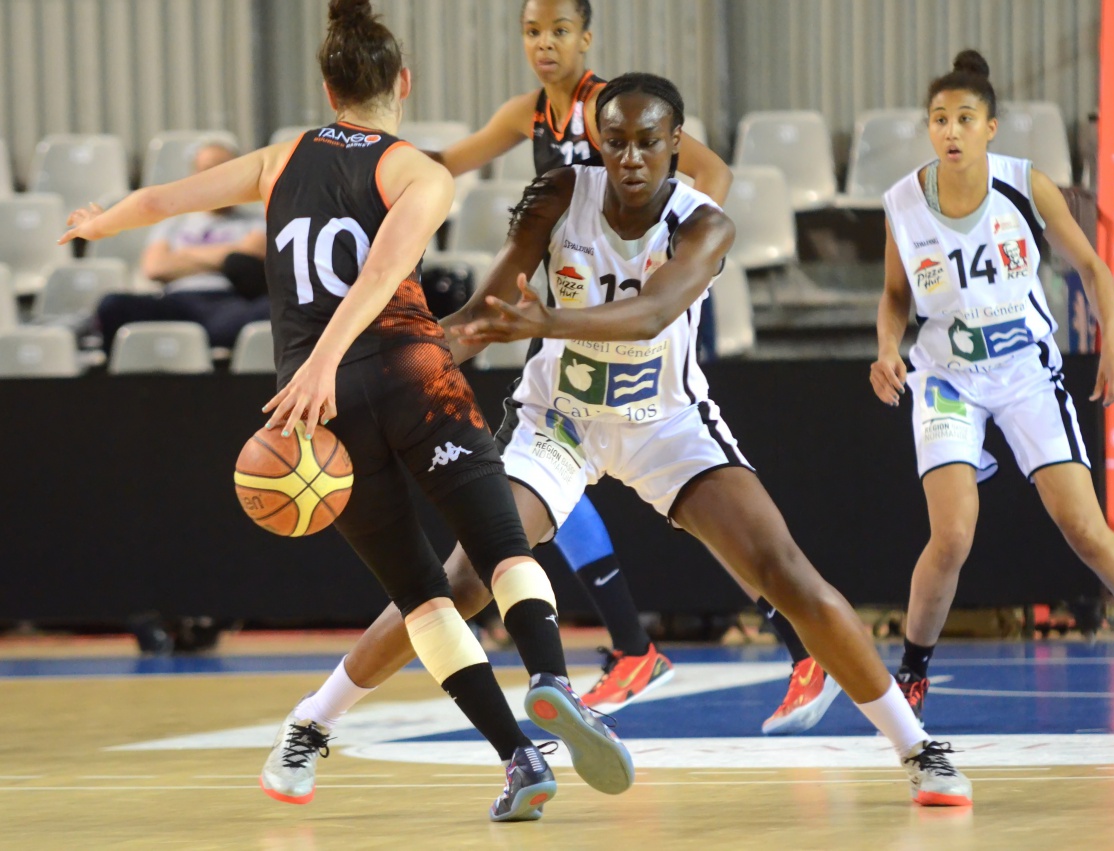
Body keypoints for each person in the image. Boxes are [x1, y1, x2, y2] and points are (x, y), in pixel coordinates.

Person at [302, 72, 972, 808]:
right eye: (614, 140)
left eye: (647, 142)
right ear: (597, 141)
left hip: (666, 423)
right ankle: (312, 721)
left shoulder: (705, 224)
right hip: (560, 420)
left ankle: (918, 747)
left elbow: (652, 313)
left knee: (788, 574)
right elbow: (483, 317)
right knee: (462, 580)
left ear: (674, 143)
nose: (629, 157)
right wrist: (373, 370)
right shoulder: (560, 194)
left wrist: (547, 323)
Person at [59, 0, 633, 822]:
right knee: (502, 546)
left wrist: (101, 220)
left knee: (422, 597)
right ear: (404, 83)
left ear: (329, 91)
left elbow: (167, 200)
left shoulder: (280, 156)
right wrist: (333, 355)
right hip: (411, 373)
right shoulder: (418, 171)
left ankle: (518, 757)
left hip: (317, 408)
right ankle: (552, 680)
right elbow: (380, 272)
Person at [293, 0, 840, 744]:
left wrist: (667, 255)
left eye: (559, 31)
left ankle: (798, 651)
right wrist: (367, 172)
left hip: (641, 322)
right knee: (511, 524)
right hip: (570, 328)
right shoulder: (529, 114)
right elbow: (446, 166)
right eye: (532, 31)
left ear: (587, 38)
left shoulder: (618, 108)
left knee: (741, 532)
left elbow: (709, 174)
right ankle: (632, 647)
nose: (544, 44)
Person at [870, 50, 1114, 732]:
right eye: (939, 119)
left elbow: (1095, 269)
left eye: (964, 118)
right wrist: (886, 348)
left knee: (1086, 529)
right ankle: (913, 672)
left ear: (990, 128)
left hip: (1024, 370)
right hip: (948, 377)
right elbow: (896, 295)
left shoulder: (1025, 184)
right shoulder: (903, 201)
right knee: (951, 535)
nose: (950, 130)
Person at [93, 141, 271, 351]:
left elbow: (246, 258)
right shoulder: (173, 222)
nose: (218, 176)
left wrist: (183, 255)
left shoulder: (257, 221)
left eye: (226, 168)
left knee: (273, 309)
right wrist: (224, 257)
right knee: (113, 305)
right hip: (176, 303)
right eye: (208, 169)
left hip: (228, 302)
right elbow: (155, 268)